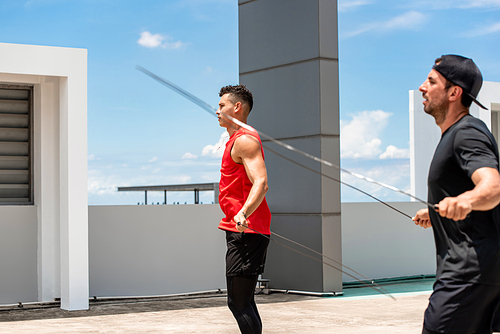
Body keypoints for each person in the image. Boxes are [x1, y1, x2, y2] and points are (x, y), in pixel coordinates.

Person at [413, 55, 500, 334]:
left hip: (467, 272)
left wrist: (465, 201)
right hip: (476, 270)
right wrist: (437, 211)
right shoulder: (455, 134)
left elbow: (493, 186)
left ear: (454, 92)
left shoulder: (467, 132)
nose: (422, 87)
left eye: (431, 81)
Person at [216, 84, 271, 334]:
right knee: (244, 301)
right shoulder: (236, 139)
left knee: (238, 303)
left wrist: (243, 213)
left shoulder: (245, 141)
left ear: (237, 107)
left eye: (221, 106)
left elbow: (261, 183)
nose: (217, 111)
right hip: (242, 229)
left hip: (247, 230)